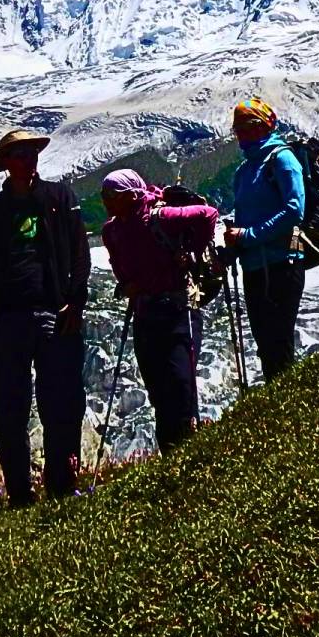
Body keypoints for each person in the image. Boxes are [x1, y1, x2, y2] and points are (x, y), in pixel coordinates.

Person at [0, 129, 91, 506]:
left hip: (55, 311)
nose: (28, 159)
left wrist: (76, 300)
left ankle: (61, 483)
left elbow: (79, 252)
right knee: (11, 406)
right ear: (5, 163)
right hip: (9, 319)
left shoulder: (59, 197)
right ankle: (20, 492)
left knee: (62, 400)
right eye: (19, 154)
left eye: (31, 152)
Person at [98, 169, 218, 452]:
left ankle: (186, 450)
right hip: (149, 313)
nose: (106, 201)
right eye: (104, 196)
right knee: (161, 389)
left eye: (111, 196)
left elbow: (208, 214)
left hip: (177, 309)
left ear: (132, 195)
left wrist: (191, 252)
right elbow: (119, 265)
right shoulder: (112, 230)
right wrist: (128, 284)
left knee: (180, 385)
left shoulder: (160, 218)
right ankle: (174, 454)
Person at [224, 97, 305, 381]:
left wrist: (247, 236)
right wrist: (233, 247)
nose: (242, 135)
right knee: (266, 343)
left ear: (264, 126)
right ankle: (279, 408)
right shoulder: (245, 170)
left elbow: (295, 210)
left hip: (283, 264)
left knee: (278, 341)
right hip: (255, 267)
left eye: (248, 127)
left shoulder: (282, 159)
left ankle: (286, 411)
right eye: (238, 129)